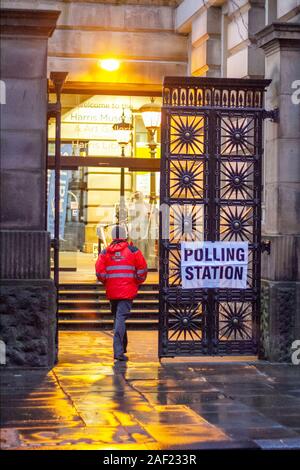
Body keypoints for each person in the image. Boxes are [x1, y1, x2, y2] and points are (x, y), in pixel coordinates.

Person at [95, 224, 148, 361]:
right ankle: (118, 352)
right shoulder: (133, 250)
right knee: (120, 319)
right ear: (125, 236)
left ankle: (122, 347)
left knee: (118, 318)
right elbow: (142, 270)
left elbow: (99, 272)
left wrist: (107, 281)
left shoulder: (105, 252)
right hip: (127, 292)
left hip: (112, 291)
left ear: (112, 236)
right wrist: (136, 281)